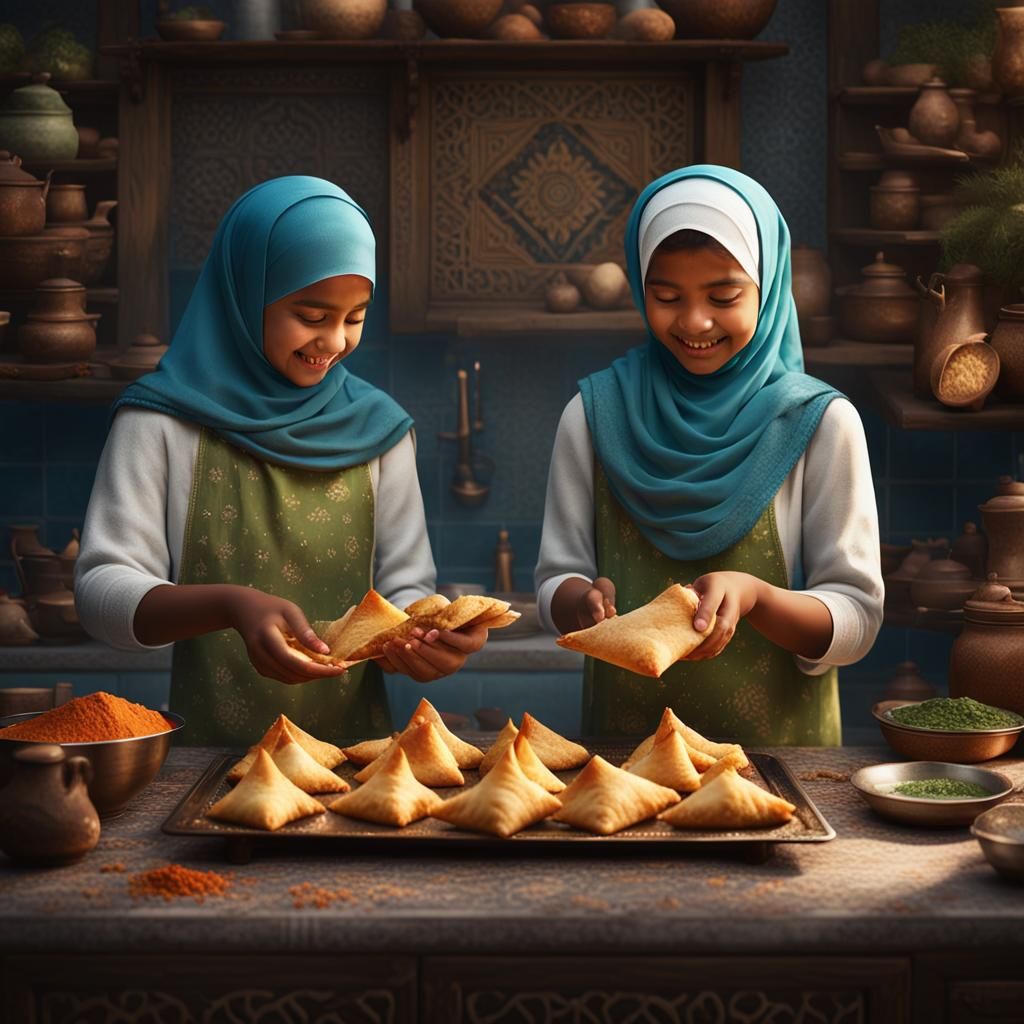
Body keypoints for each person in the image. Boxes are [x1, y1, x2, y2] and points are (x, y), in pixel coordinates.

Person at [76, 176, 486, 745]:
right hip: (204, 763)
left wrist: (426, 642)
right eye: (312, 316)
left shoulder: (381, 429)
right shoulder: (159, 422)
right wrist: (228, 605)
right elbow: (100, 592)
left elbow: (405, 589)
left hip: (357, 763)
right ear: (245, 293)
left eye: (355, 317)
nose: (335, 342)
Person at [535, 165, 883, 745]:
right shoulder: (592, 415)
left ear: (768, 284)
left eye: (724, 296)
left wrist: (758, 599)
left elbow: (858, 620)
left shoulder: (820, 423)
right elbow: (555, 580)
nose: (695, 321)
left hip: (781, 764)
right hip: (622, 760)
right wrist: (580, 602)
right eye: (666, 297)